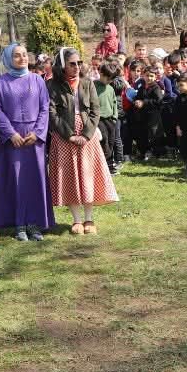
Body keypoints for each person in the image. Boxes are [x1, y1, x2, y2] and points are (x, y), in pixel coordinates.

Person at [47, 48, 118, 233]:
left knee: (88, 175)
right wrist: (69, 135)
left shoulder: (87, 83)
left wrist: (86, 135)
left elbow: (95, 110)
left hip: (87, 135)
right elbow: (51, 113)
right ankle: (77, 220)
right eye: (72, 63)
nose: (77, 67)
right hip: (64, 136)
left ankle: (88, 219)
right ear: (62, 65)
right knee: (69, 176)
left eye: (79, 63)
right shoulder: (52, 85)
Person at [0, 44, 54, 241]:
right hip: (12, 141)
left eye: (24, 54)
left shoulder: (38, 80)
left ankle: (34, 223)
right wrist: (10, 134)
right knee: (15, 180)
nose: (22, 58)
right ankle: (18, 224)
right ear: (9, 59)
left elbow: (45, 107)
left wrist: (38, 133)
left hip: (34, 140)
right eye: (17, 56)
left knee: (34, 180)